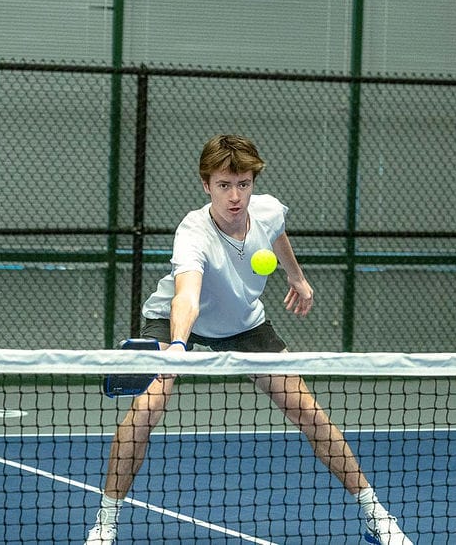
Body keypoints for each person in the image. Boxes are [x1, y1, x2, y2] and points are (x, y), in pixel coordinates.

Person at [86, 135, 412, 545]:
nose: (235, 196)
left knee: (308, 411)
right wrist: (178, 348)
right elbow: (187, 295)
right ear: (206, 185)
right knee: (148, 407)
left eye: (243, 184)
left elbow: (277, 233)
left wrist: (296, 277)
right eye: (224, 185)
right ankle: (106, 522)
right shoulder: (193, 232)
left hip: (243, 324)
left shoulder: (267, 209)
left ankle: (376, 515)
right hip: (175, 321)